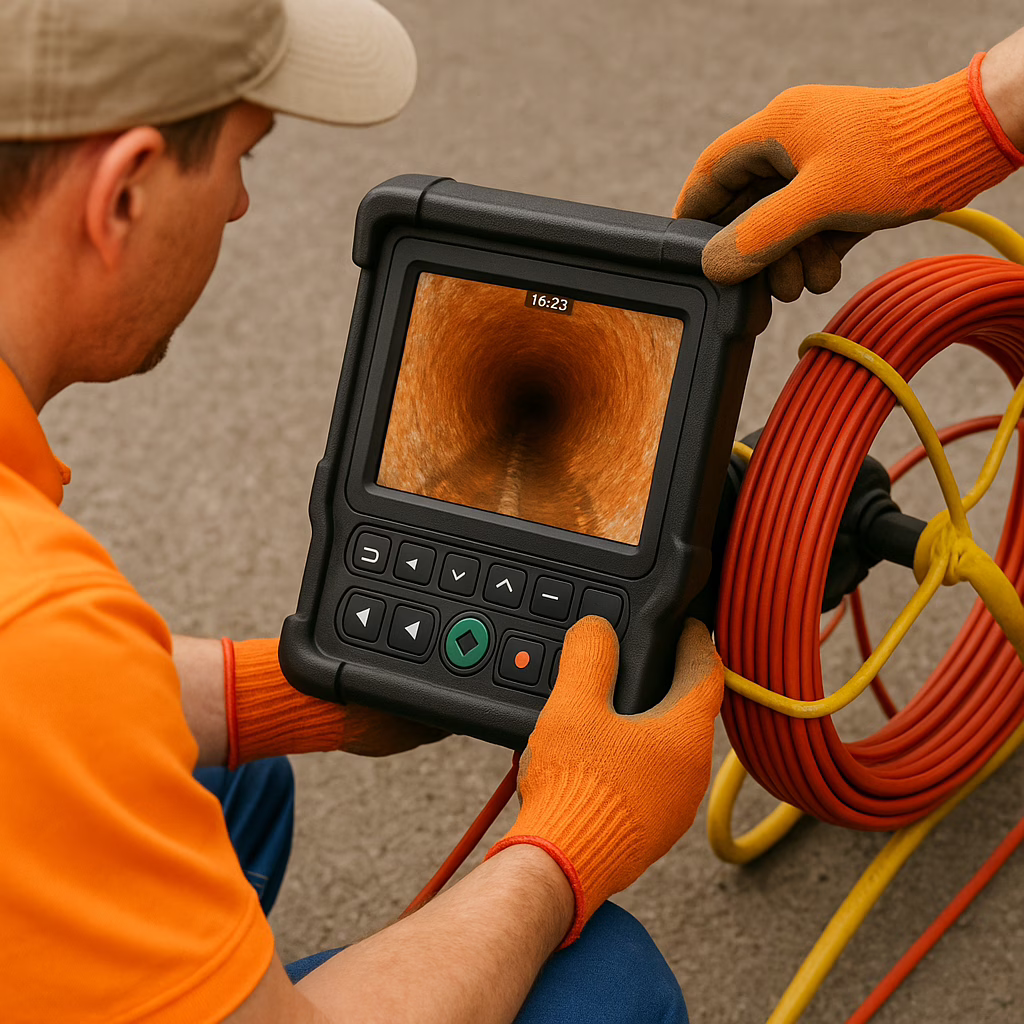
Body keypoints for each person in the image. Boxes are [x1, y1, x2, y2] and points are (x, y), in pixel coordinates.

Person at [0, 2, 721, 1022]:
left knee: (234, 778)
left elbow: (44, 697)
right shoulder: (42, 627)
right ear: (121, 193)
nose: (243, 205)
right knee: (605, 983)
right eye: (242, 157)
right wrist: (566, 840)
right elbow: (39, 671)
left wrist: (288, 696)